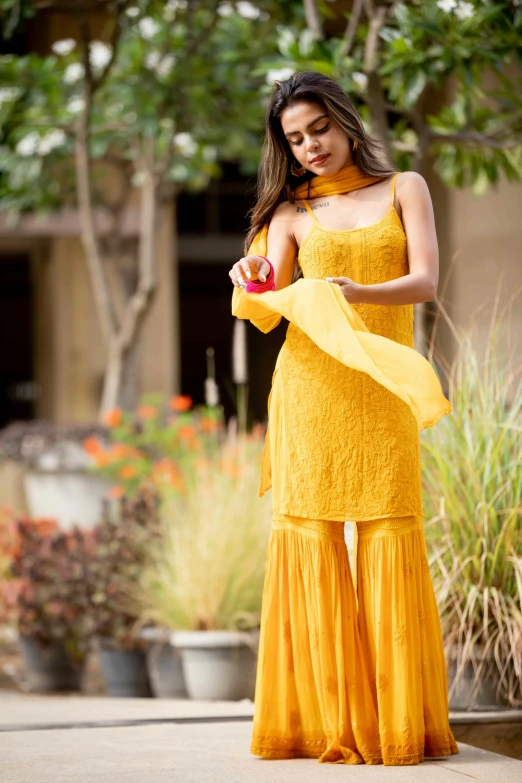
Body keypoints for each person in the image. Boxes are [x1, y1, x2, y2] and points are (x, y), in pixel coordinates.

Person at [229, 71, 459, 766]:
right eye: (294, 139)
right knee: (315, 541)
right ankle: (317, 723)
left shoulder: (404, 189)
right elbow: (268, 294)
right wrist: (251, 275)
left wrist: (356, 290)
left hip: (381, 384)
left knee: (389, 533)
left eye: (317, 129)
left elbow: (426, 281)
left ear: (344, 119)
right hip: (310, 387)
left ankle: (397, 726)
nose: (308, 147)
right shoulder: (291, 210)